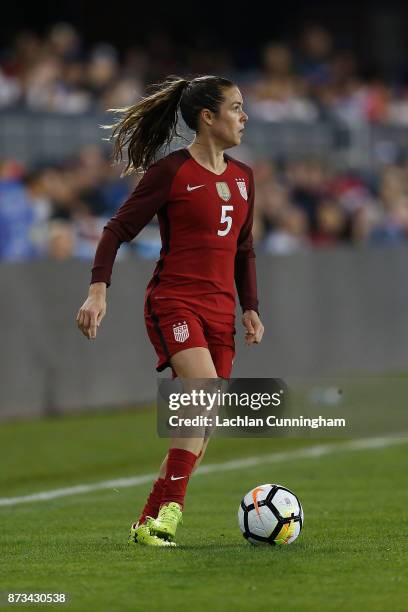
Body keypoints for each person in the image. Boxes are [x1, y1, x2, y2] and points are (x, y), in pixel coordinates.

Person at [76, 75, 264, 547]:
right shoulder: (171, 172)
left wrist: (251, 308)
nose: (244, 117)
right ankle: (174, 512)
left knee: (198, 433)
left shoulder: (244, 177)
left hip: (222, 312)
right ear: (208, 116)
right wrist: (98, 291)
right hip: (175, 300)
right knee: (198, 397)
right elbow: (115, 231)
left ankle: (146, 521)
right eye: (237, 108)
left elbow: (244, 249)